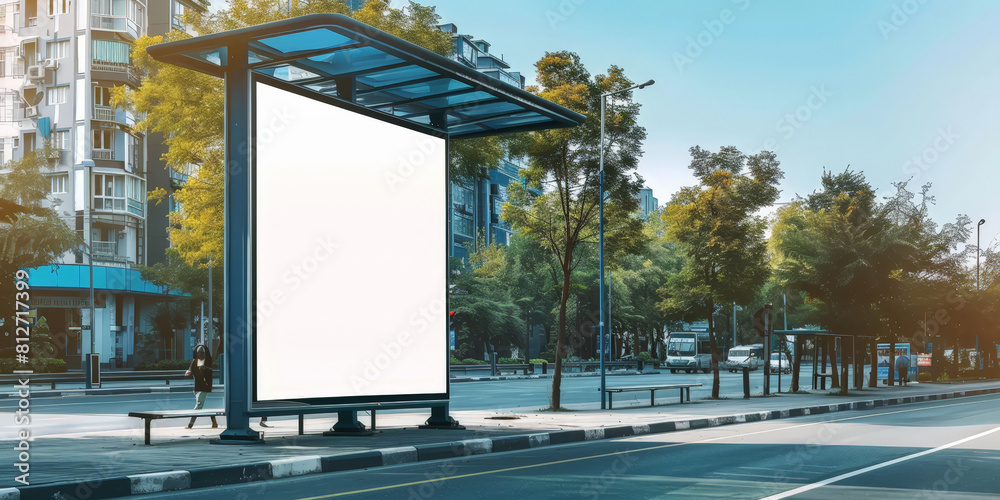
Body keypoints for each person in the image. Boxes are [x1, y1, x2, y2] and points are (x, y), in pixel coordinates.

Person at [184, 344, 218, 429]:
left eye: (203, 352)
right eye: (199, 352)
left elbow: (208, 373)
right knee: (202, 405)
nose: (201, 354)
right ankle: (214, 421)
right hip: (197, 386)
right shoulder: (194, 361)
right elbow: (189, 371)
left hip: (204, 386)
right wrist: (188, 372)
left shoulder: (207, 361)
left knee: (198, 406)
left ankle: (190, 424)